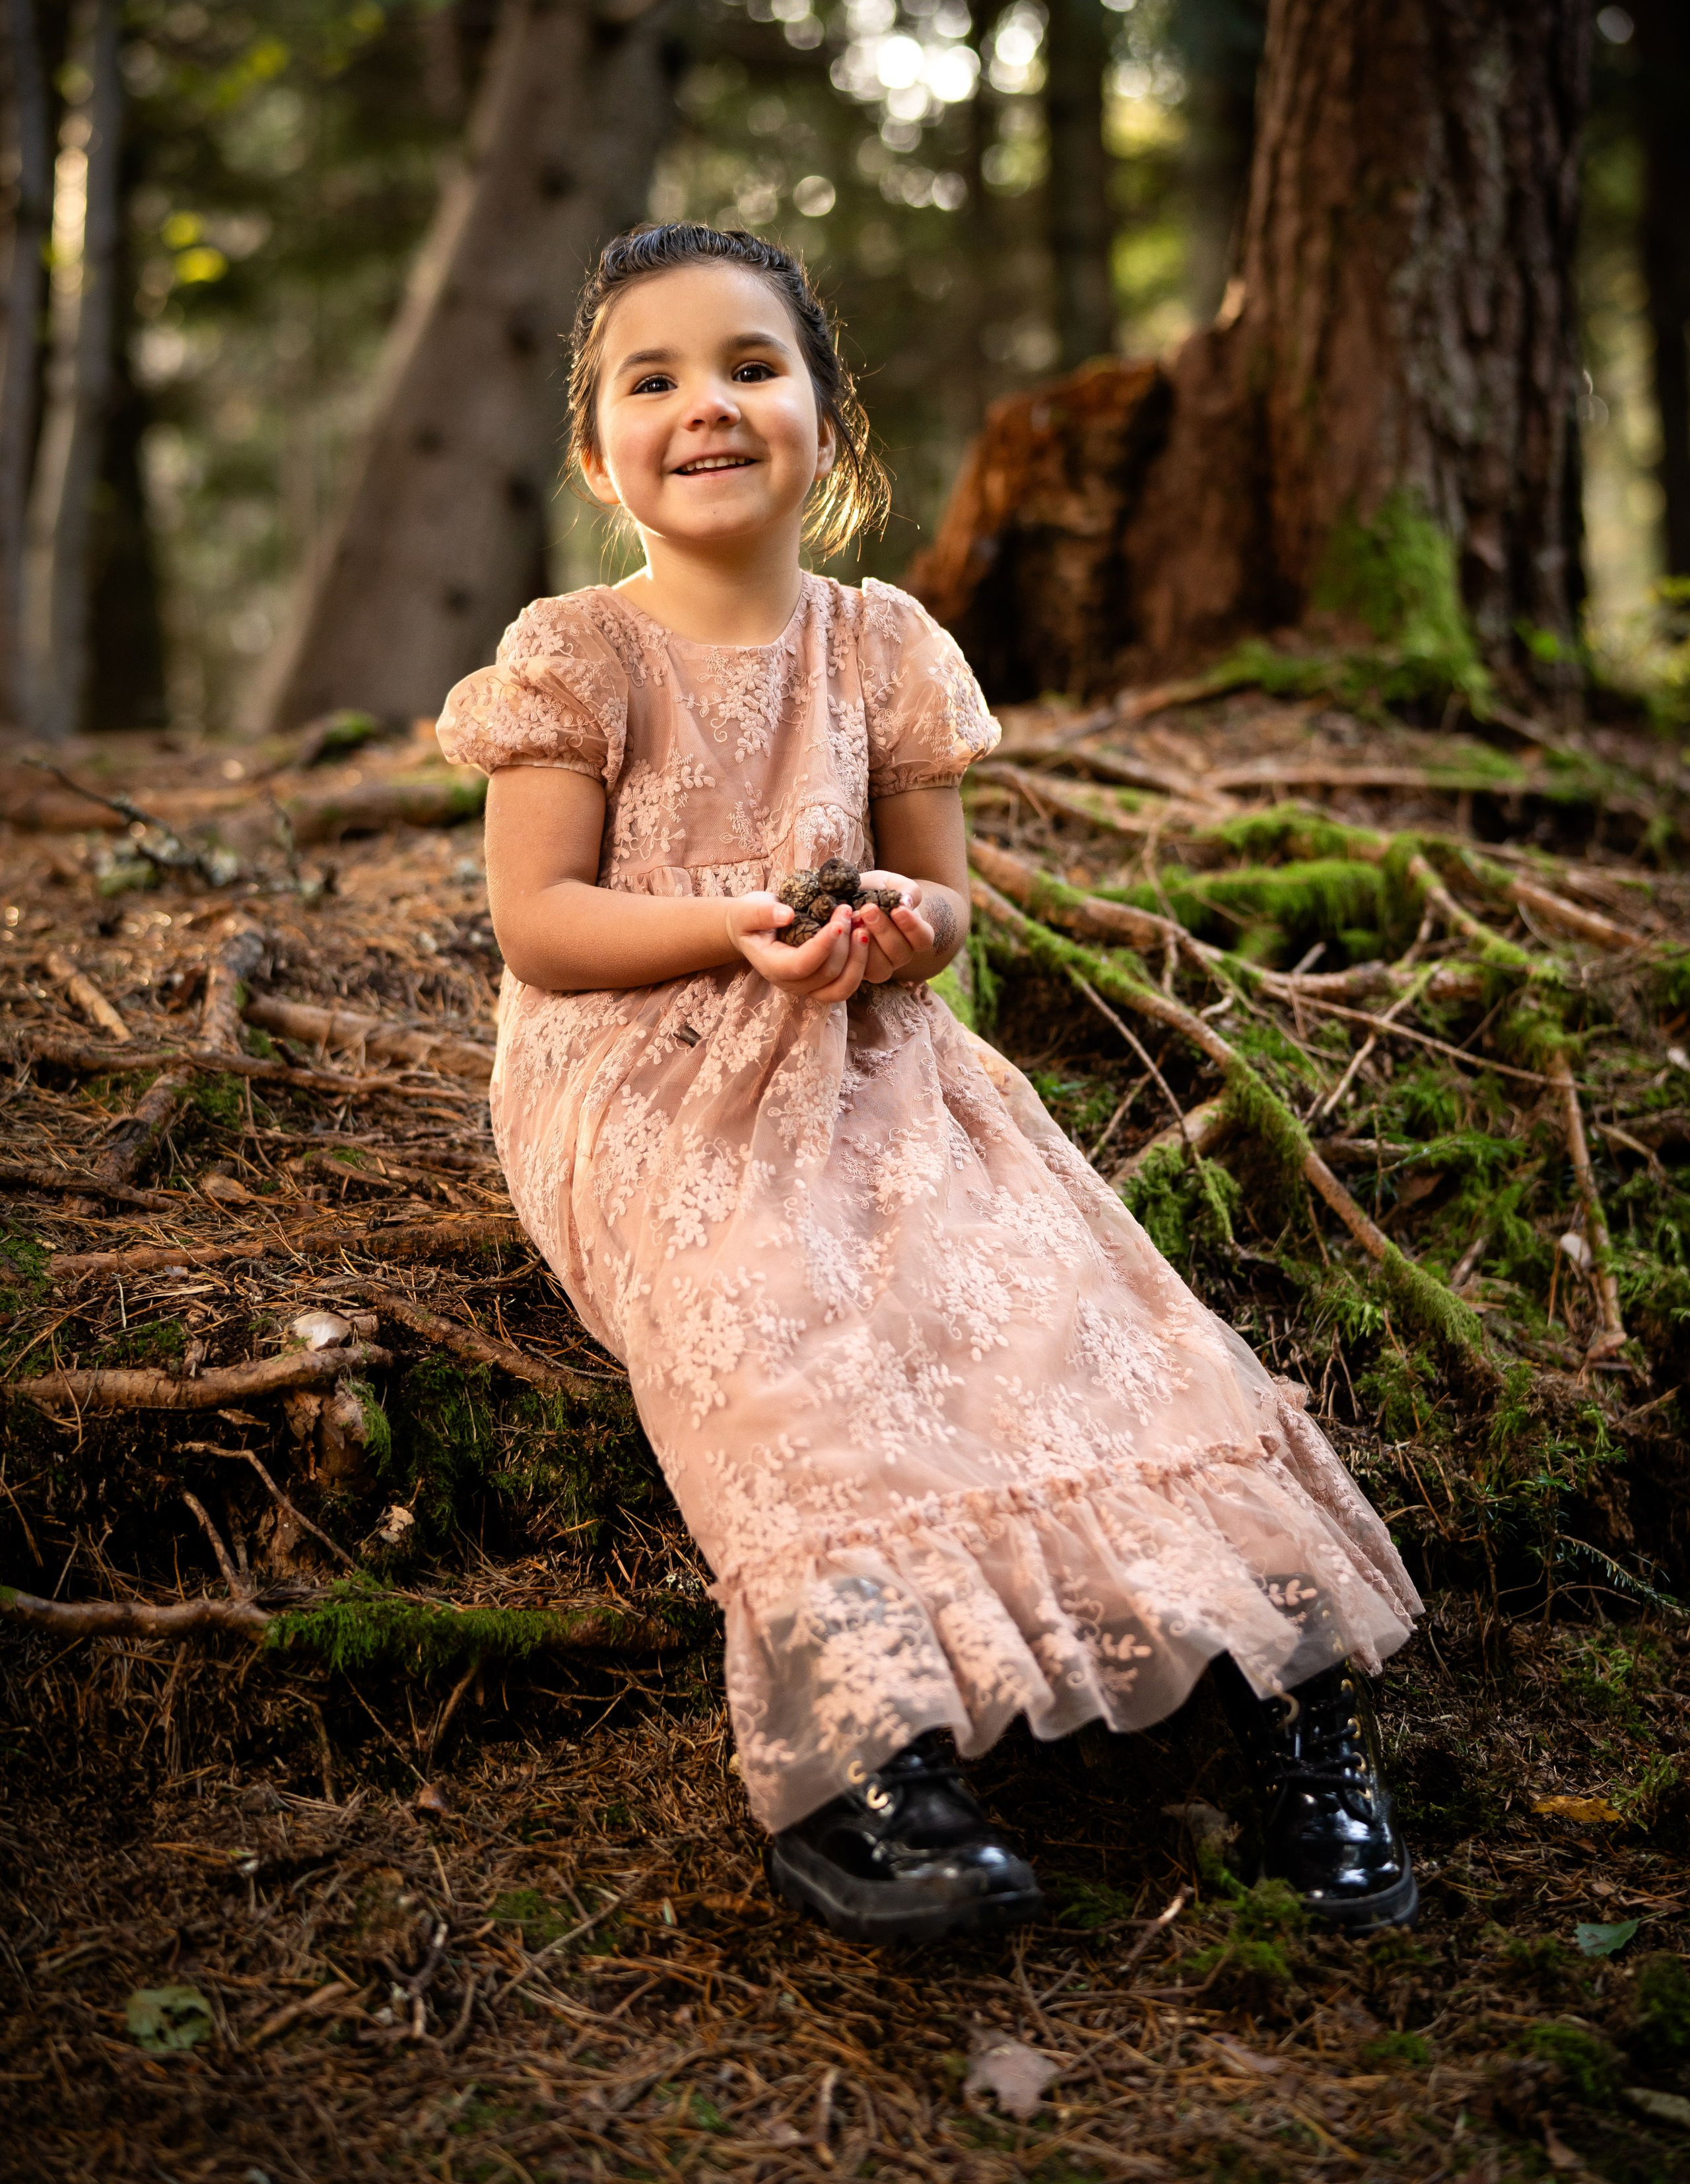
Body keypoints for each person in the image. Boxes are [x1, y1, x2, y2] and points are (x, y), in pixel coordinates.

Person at [437, 221, 1423, 1947]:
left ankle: (1294, 1724)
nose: (708, 406)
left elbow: (946, 902)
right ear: (599, 452)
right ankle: (871, 1766)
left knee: (1083, 1309)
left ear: (828, 415)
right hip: (641, 1072)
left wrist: (897, 925)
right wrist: (735, 928)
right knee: (776, 1323)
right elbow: (542, 926)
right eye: (651, 380)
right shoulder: (577, 654)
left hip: (871, 1049)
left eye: (752, 365)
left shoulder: (882, 643)